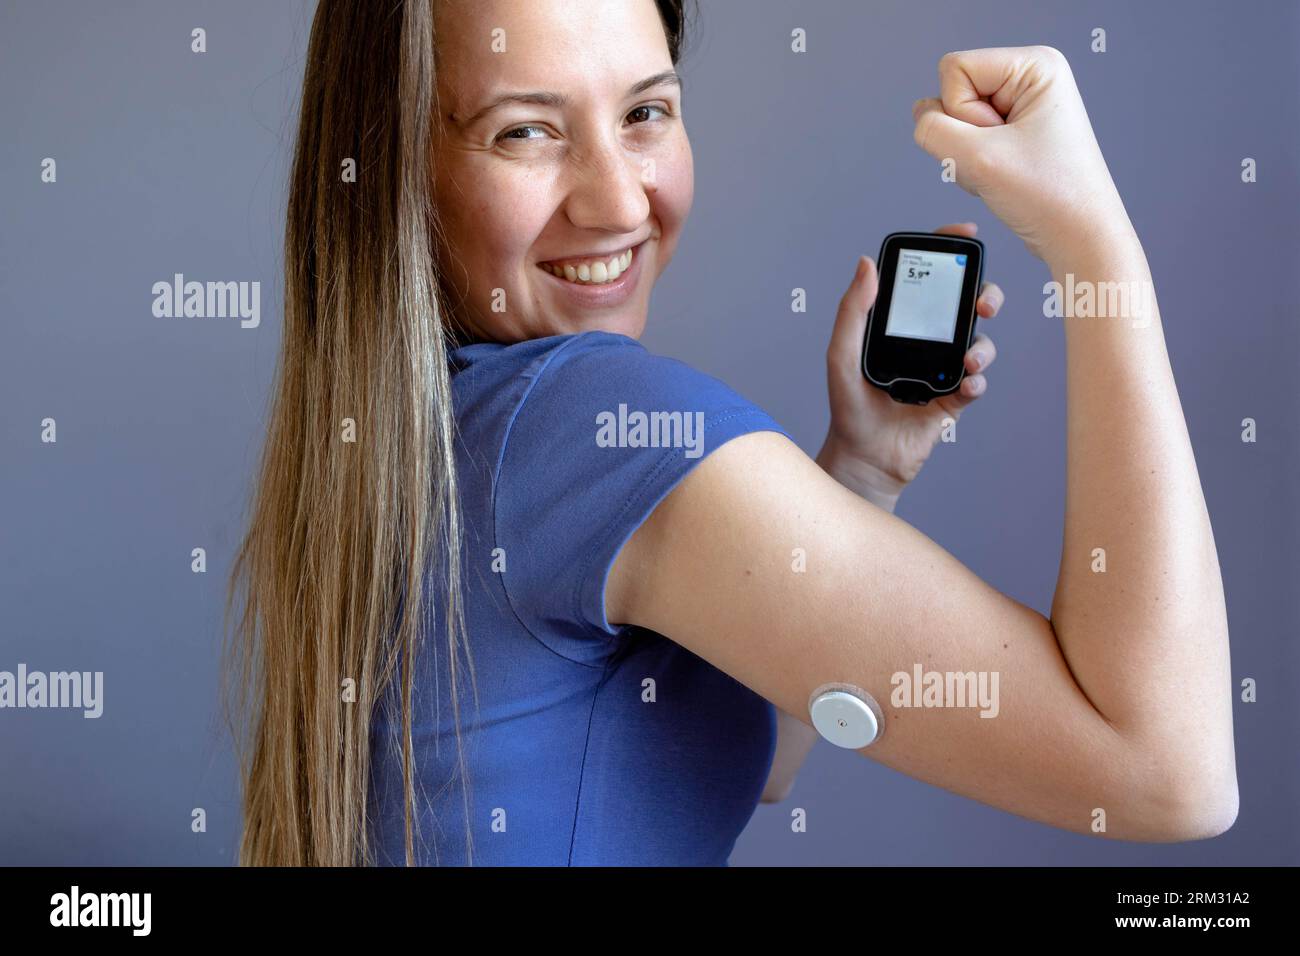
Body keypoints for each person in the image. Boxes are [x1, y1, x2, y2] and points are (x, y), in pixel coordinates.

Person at [224, 0, 1238, 866]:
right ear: (398, 165)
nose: (620, 199)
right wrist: (1098, 246)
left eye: (646, 112)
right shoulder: (587, 418)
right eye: (524, 131)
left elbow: (731, 751)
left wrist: (864, 466)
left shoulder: (418, 424)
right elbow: (1166, 769)